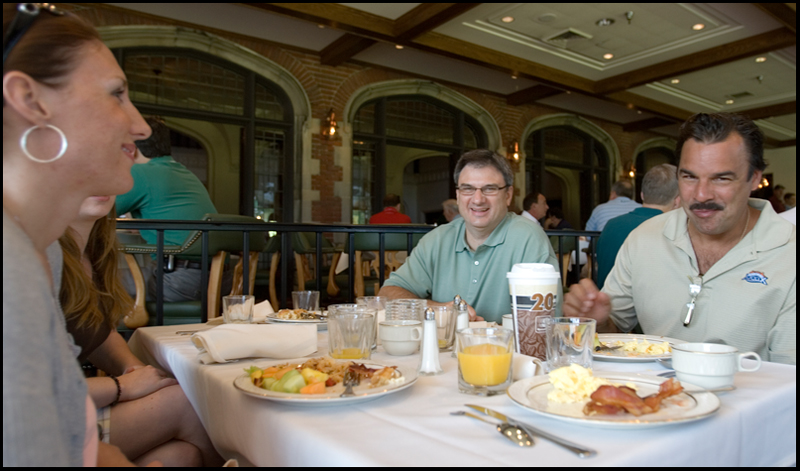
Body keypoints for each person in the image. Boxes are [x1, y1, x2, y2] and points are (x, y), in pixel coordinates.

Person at [3, 4, 152, 465]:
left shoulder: (39, 253)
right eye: (117, 94)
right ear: (29, 100)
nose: (141, 126)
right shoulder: (10, 272)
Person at [564, 112, 795, 365]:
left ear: (754, 178)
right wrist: (598, 321)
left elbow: (789, 381)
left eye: (721, 178)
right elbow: (613, 337)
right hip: (653, 399)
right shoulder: (644, 238)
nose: (702, 194)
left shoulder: (789, 254)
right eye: (689, 177)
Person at [60, 195, 223, 466]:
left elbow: (98, 333)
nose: (100, 181)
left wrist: (136, 372)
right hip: (39, 423)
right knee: (185, 403)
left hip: (74, 404)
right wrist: (121, 386)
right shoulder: (34, 258)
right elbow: (31, 390)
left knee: (181, 457)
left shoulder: (92, 252)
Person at [379, 150, 561, 323]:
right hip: (444, 353)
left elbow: (545, 324)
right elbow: (387, 294)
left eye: (489, 189)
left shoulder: (529, 239)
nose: (478, 199)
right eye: (467, 189)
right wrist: (437, 309)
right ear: (458, 195)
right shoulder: (437, 239)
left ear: (508, 195)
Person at [116, 116, 228, 303]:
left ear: (132, 148)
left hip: (178, 280)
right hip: (216, 279)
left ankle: (112, 332)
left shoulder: (141, 173)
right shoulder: (182, 172)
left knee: (95, 280)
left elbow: (97, 212)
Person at [595, 164, 680, 289]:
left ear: (642, 195)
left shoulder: (611, 225)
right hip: (642, 307)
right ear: (677, 201)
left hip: (606, 304)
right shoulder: (671, 230)